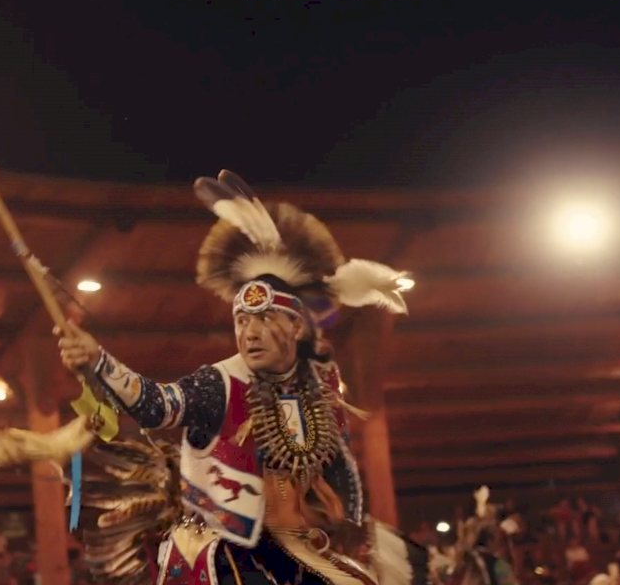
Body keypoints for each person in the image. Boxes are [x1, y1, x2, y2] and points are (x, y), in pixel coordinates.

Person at [50, 171, 425, 585]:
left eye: (265, 319)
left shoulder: (322, 387)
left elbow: (339, 463)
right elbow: (157, 406)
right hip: (220, 550)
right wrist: (98, 359)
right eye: (242, 321)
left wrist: (351, 525)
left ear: (296, 326)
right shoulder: (219, 383)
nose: (250, 333)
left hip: (293, 543)